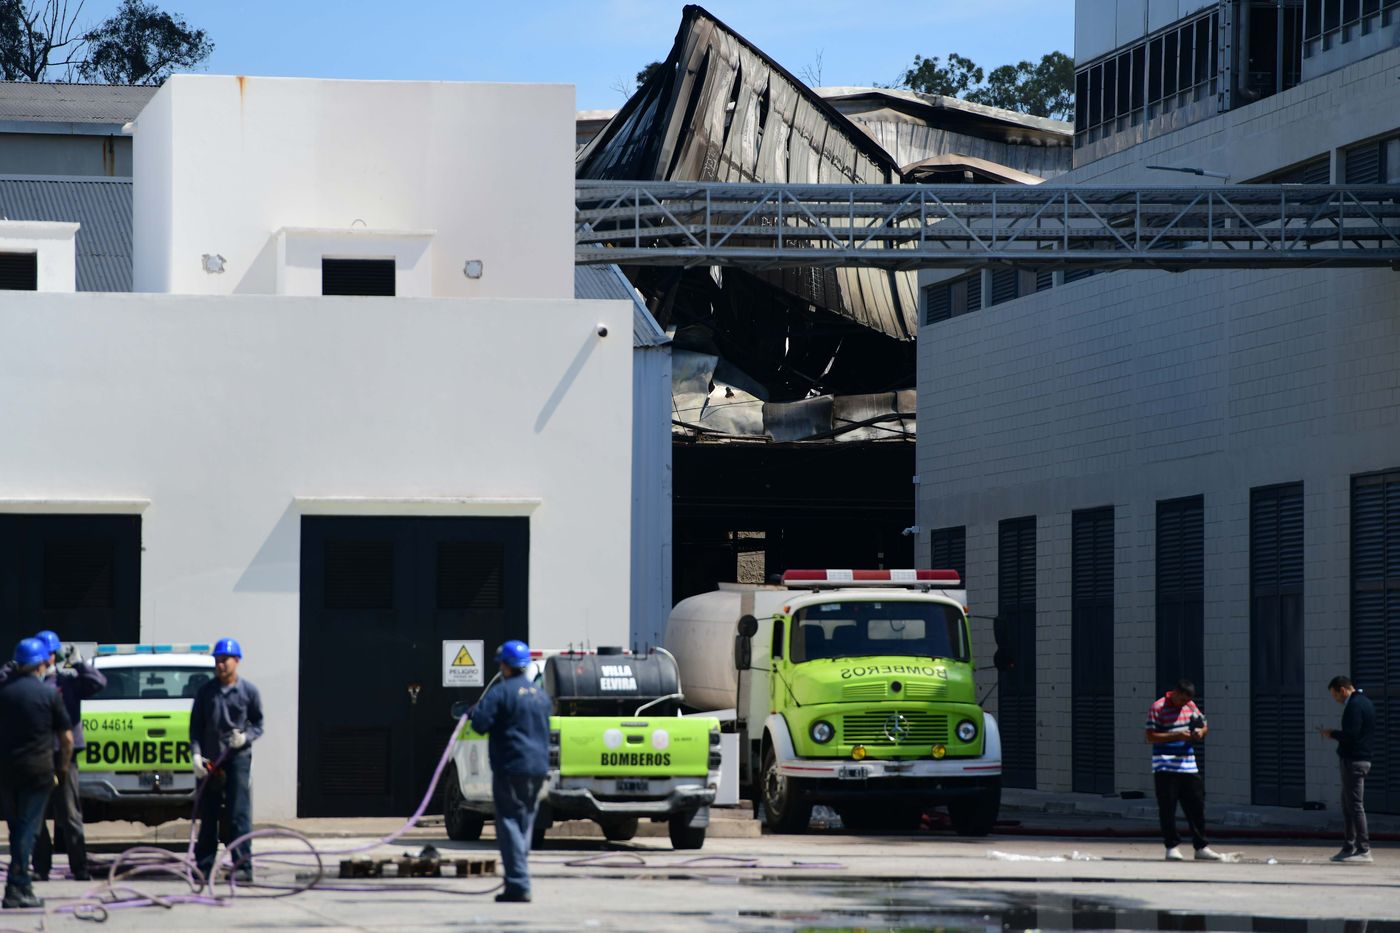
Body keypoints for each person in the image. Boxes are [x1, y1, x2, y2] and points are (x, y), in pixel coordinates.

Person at [469, 640, 551, 904]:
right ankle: (519, 876)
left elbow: (481, 725)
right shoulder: (540, 695)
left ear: (504, 665)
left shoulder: (501, 693)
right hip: (537, 769)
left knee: (509, 825)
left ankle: (518, 884)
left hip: (511, 768)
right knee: (524, 825)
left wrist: (474, 712)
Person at [0, 638, 73, 909]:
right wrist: (62, 769)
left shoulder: (4, 692)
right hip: (38, 773)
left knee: (17, 828)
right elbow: (66, 738)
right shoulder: (49, 694)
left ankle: (19, 886)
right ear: (42, 664)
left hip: (7, 773)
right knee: (27, 830)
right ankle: (17, 887)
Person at [30, 630, 106, 883]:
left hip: (64, 756)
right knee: (36, 816)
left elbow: (98, 683)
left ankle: (80, 867)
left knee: (70, 815)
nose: (48, 659)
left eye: (52, 653)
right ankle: (41, 867)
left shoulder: (68, 682)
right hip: (37, 755)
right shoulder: (29, 685)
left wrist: (80, 663)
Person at [188, 637, 263, 884]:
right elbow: (195, 728)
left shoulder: (249, 691)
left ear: (237, 661)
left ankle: (243, 866)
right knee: (208, 814)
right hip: (212, 760)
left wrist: (245, 737)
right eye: (217, 660)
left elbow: (258, 724)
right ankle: (204, 866)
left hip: (237, 759)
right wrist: (196, 755)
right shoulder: (206, 693)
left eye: (225, 660)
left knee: (238, 814)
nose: (221, 665)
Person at [1145, 678, 1223, 862]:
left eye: (1186, 701)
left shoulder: (1190, 706)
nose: (1183, 704)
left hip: (1188, 765)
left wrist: (1199, 733)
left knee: (1196, 805)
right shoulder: (1158, 707)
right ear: (1175, 693)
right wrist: (1176, 735)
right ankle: (1171, 846)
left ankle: (1201, 846)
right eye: (1181, 700)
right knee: (1168, 807)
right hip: (1165, 765)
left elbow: (1204, 726)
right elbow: (1150, 736)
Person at [1319, 675, 1375, 864]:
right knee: (1347, 805)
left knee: (1355, 806)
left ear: (1342, 689)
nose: (1336, 699)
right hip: (1359, 759)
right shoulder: (1366, 702)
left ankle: (1363, 849)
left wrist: (1332, 733)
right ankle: (1349, 846)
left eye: (1335, 695)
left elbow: (1351, 735)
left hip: (1354, 761)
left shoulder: (1354, 706)